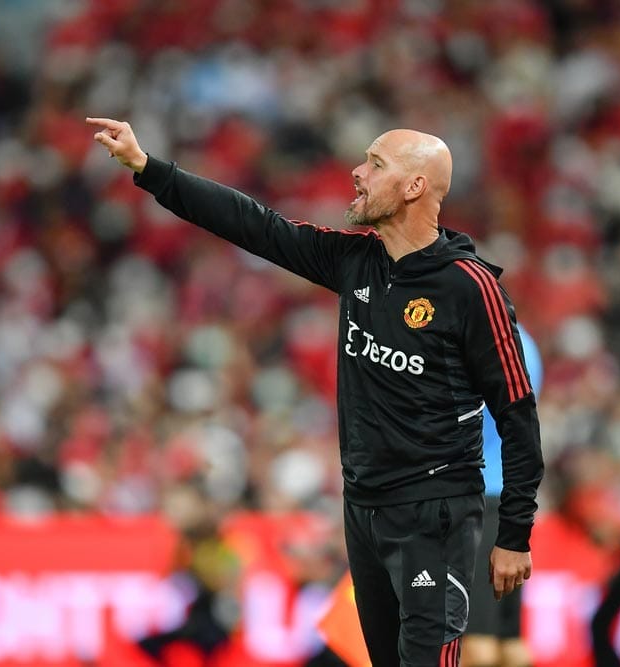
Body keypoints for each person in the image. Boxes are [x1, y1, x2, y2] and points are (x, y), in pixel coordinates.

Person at [86, 118, 544, 667]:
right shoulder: (356, 262)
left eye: (375, 164)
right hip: (365, 510)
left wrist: (515, 532)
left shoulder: (471, 289)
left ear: (414, 187)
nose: (357, 172)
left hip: (434, 514)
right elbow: (257, 227)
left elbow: (518, 415)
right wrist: (149, 169)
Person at [462, 325, 542, 667]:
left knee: (477, 641)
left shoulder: (468, 333)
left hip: (474, 499)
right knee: (511, 642)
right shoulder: (525, 340)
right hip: (509, 501)